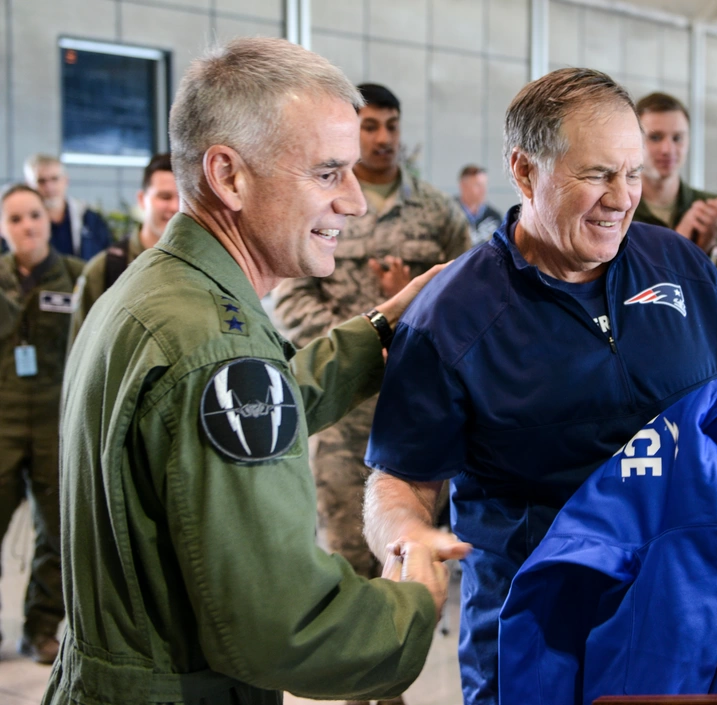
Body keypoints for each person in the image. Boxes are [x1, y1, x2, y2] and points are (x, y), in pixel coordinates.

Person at [43, 37, 450, 705]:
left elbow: (243, 404)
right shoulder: (214, 346)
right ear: (230, 175)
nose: (355, 202)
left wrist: (378, 333)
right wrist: (411, 602)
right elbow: (283, 626)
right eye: (327, 173)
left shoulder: (158, 292)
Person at [362, 68, 717, 705]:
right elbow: (400, 476)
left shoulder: (683, 267)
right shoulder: (453, 315)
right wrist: (405, 534)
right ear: (524, 172)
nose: (623, 197)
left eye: (632, 172)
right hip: (547, 648)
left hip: (703, 629)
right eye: (597, 174)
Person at [270, 80, 469, 661]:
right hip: (340, 411)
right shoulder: (321, 201)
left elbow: (461, 288)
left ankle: (393, 673)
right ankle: (367, 690)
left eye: (391, 125)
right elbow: (292, 298)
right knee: (347, 558)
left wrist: (413, 326)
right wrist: (372, 331)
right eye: (370, 126)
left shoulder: (435, 209)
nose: (382, 138)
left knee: (412, 551)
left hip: (417, 412)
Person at [0, 184, 84, 664]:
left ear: (48, 219)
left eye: (33, 215)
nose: (26, 226)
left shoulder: (75, 278)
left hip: (57, 424)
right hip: (3, 423)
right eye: (14, 219)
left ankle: (39, 628)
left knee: (57, 533)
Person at [69, 152, 178, 346]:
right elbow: (80, 352)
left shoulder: (201, 267)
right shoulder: (104, 270)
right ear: (142, 199)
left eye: (182, 197)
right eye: (165, 196)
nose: (174, 206)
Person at [632, 92, 717, 256]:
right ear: (633, 141)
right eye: (655, 137)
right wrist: (681, 242)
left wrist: (709, 248)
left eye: (677, 138)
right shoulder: (619, 211)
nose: (668, 149)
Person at [23, 154, 113, 261]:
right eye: (41, 181)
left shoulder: (90, 219)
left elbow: (107, 258)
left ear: (66, 180)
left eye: (55, 179)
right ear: (28, 186)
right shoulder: (22, 224)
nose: (49, 187)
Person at [456, 164, 503, 246]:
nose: (483, 190)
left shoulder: (494, 217)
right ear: (463, 186)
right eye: (478, 185)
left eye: (485, 185)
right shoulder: (448, 213)